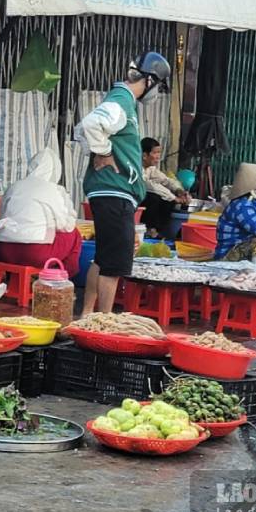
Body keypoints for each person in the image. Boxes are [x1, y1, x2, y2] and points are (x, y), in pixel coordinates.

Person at [75, 51, 171, 315]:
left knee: (103, 258)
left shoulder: (123, 100)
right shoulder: (122, 99)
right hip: (114, 191)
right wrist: (104, 152)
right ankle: (104, 323)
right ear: (150, 80)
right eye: (159, 86)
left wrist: (102, 149)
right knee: (115, 263)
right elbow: (90, 124)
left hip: (110, 191)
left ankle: (87, 316)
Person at [0, 148, 83, 276]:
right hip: (35, 253)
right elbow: (66, 225)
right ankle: (59, 282)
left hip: (3, 250)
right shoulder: (53, 189)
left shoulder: (14, 186)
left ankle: (15, 282)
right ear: (55, 171)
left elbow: (1, 216)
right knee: (74, 234)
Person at [140, 137, 189, 239]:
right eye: (155, 153)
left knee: (168, 199)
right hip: (134, 202)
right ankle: (149, 229)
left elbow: (166, 180)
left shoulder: (151, 169)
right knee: (154, 197)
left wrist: (179, 191)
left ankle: (159, 231)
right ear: (144, 155)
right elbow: (151, 186)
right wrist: (174, 198)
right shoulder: (137, 168)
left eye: (159, 153)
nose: (158, 157)